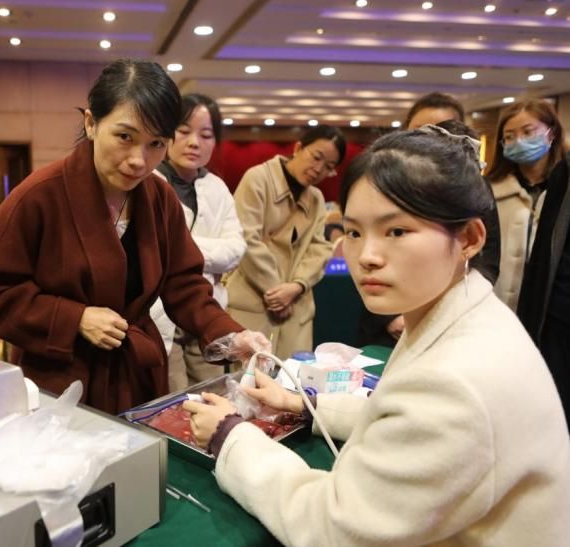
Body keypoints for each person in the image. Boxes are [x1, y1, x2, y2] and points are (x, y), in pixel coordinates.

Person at [183, 127, 570, 546]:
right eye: (353, 232)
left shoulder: (455, 383)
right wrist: (302, 405)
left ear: (470, 239)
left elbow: (336, 528)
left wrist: (230, 437)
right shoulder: (466, 315)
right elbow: (403, 417)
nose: (366, 256)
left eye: (397, 231)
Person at [0, 59, 257, 414]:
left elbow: (183, 284)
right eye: (125, 137)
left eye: (155, 144)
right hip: (61, 379)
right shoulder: (39, 195)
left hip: (137, 377)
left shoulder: (160, 199)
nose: (139, 160)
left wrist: (231, 335)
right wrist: (75, 318)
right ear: (91, 123)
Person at [359, 98, 502, 348]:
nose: (432, 139)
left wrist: (449, 308)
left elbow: (488, 260)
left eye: (442, 130)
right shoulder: (380, 184)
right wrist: (391, 317)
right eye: (422, 131)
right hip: (387, 324)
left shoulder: (475, 191)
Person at [149, 93, 246, 392]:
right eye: (183, 131)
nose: (194, 143)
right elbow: (155, 247)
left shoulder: (217, 187)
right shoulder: (149, 181)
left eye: (206, 135)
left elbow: (236, 250)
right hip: (160, 316)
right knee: (173, 402)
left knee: (214, 398)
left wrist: (182, 246)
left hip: (207, 313)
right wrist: (207, 253)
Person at [226, 126, 344, 359]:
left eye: (329, 166)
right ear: (298, 148)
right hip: (254, 301)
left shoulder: (316, 198)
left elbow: (319, 248)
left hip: (296, 307)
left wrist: (296, 286)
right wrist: (276, 292)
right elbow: (247, 239)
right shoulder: (258, 178)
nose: (319, 169)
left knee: (293, 375)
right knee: (248, 374)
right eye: (316, 157)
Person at [486, 98, 569, 422]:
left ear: (551, 132)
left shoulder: (562, 188)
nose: (518, 141)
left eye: (528, 131)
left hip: (548, 316)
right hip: (497, 307)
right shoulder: (490, 190)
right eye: (509, 136)